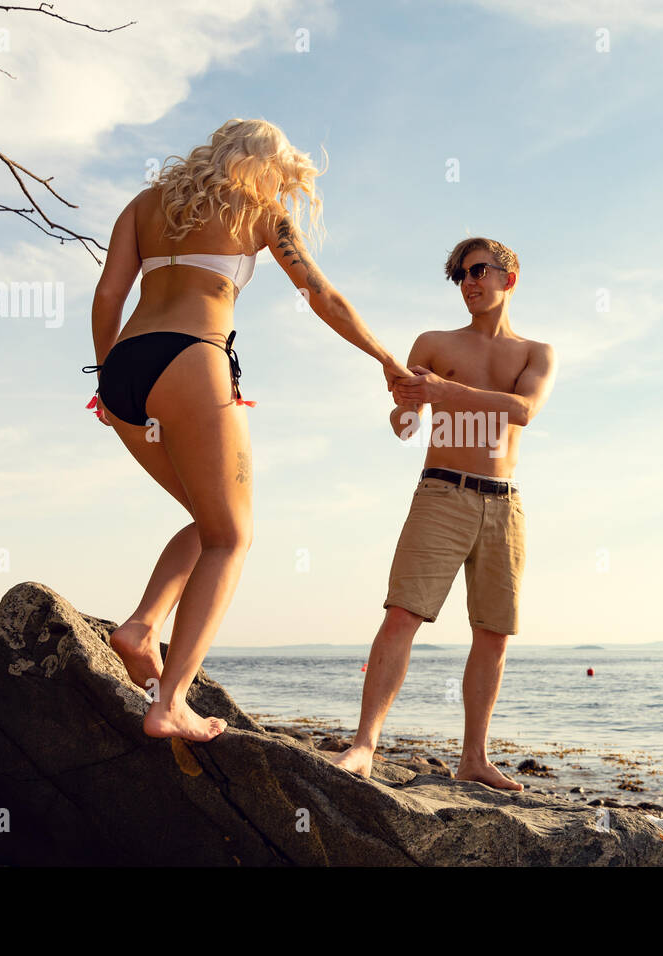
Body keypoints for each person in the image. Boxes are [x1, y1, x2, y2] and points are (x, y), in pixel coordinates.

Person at [81, 118, 412, 742]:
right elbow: (321, 295)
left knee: (208, 523)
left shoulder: (144, 204)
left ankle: (142, 626)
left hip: (125, 367)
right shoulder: (260, 212)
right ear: (267, 165)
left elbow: (106, 298)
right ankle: (170, 701)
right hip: (193, 360)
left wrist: (106, 379)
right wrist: (388, 361)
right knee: (234, 538)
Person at [331, 237, 557, 788]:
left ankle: (473, 759)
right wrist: (405, 408)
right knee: (403, 614)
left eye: (479, 270)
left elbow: (523, 410)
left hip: (504, 502)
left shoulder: (536, 353)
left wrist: (441, 390)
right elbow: (407, 427)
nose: (469, 282)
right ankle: (364, 747)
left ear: (511, 276)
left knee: (494, 633)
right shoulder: (433, 342)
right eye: (460, 275)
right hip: (441, 493)